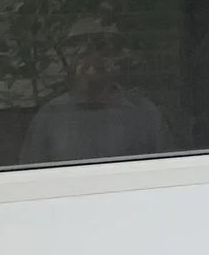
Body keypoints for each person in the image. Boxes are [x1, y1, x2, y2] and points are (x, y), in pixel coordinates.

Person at [20, 15, 172, 164]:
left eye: (103, 49)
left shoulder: (145, 114)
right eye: (82, 52)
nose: (93, 60)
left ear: (117, 59)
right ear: (71, 61)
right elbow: (31, 179)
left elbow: (166, 174)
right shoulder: (50, 116)